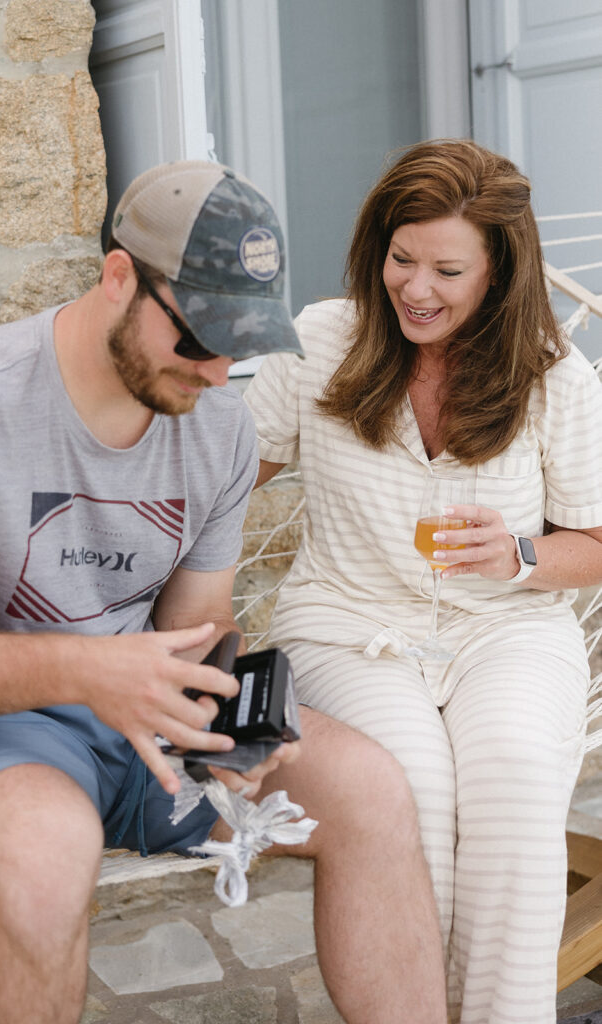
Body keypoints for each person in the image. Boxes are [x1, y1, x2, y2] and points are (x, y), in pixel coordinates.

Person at [0, 160, 447, 1024]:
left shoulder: (218, 427)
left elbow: (196, 624)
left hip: (148, 718)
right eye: (200, 337)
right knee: (45, 860)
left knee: (372, 792)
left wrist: (231, 726)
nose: (216, 372)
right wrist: (90, 675)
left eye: (240, 342)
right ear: (119, 276)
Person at [244, 139, 602, 1024]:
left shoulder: (555, 373)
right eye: (402, 259)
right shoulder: (322, 338)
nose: (416, 288)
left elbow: (595, 539)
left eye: (447, 269)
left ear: (499, 274)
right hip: (349, 624)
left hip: (507, 628)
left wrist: (520, 556)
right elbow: (224, 479)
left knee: (515, 780)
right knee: (409, 785)